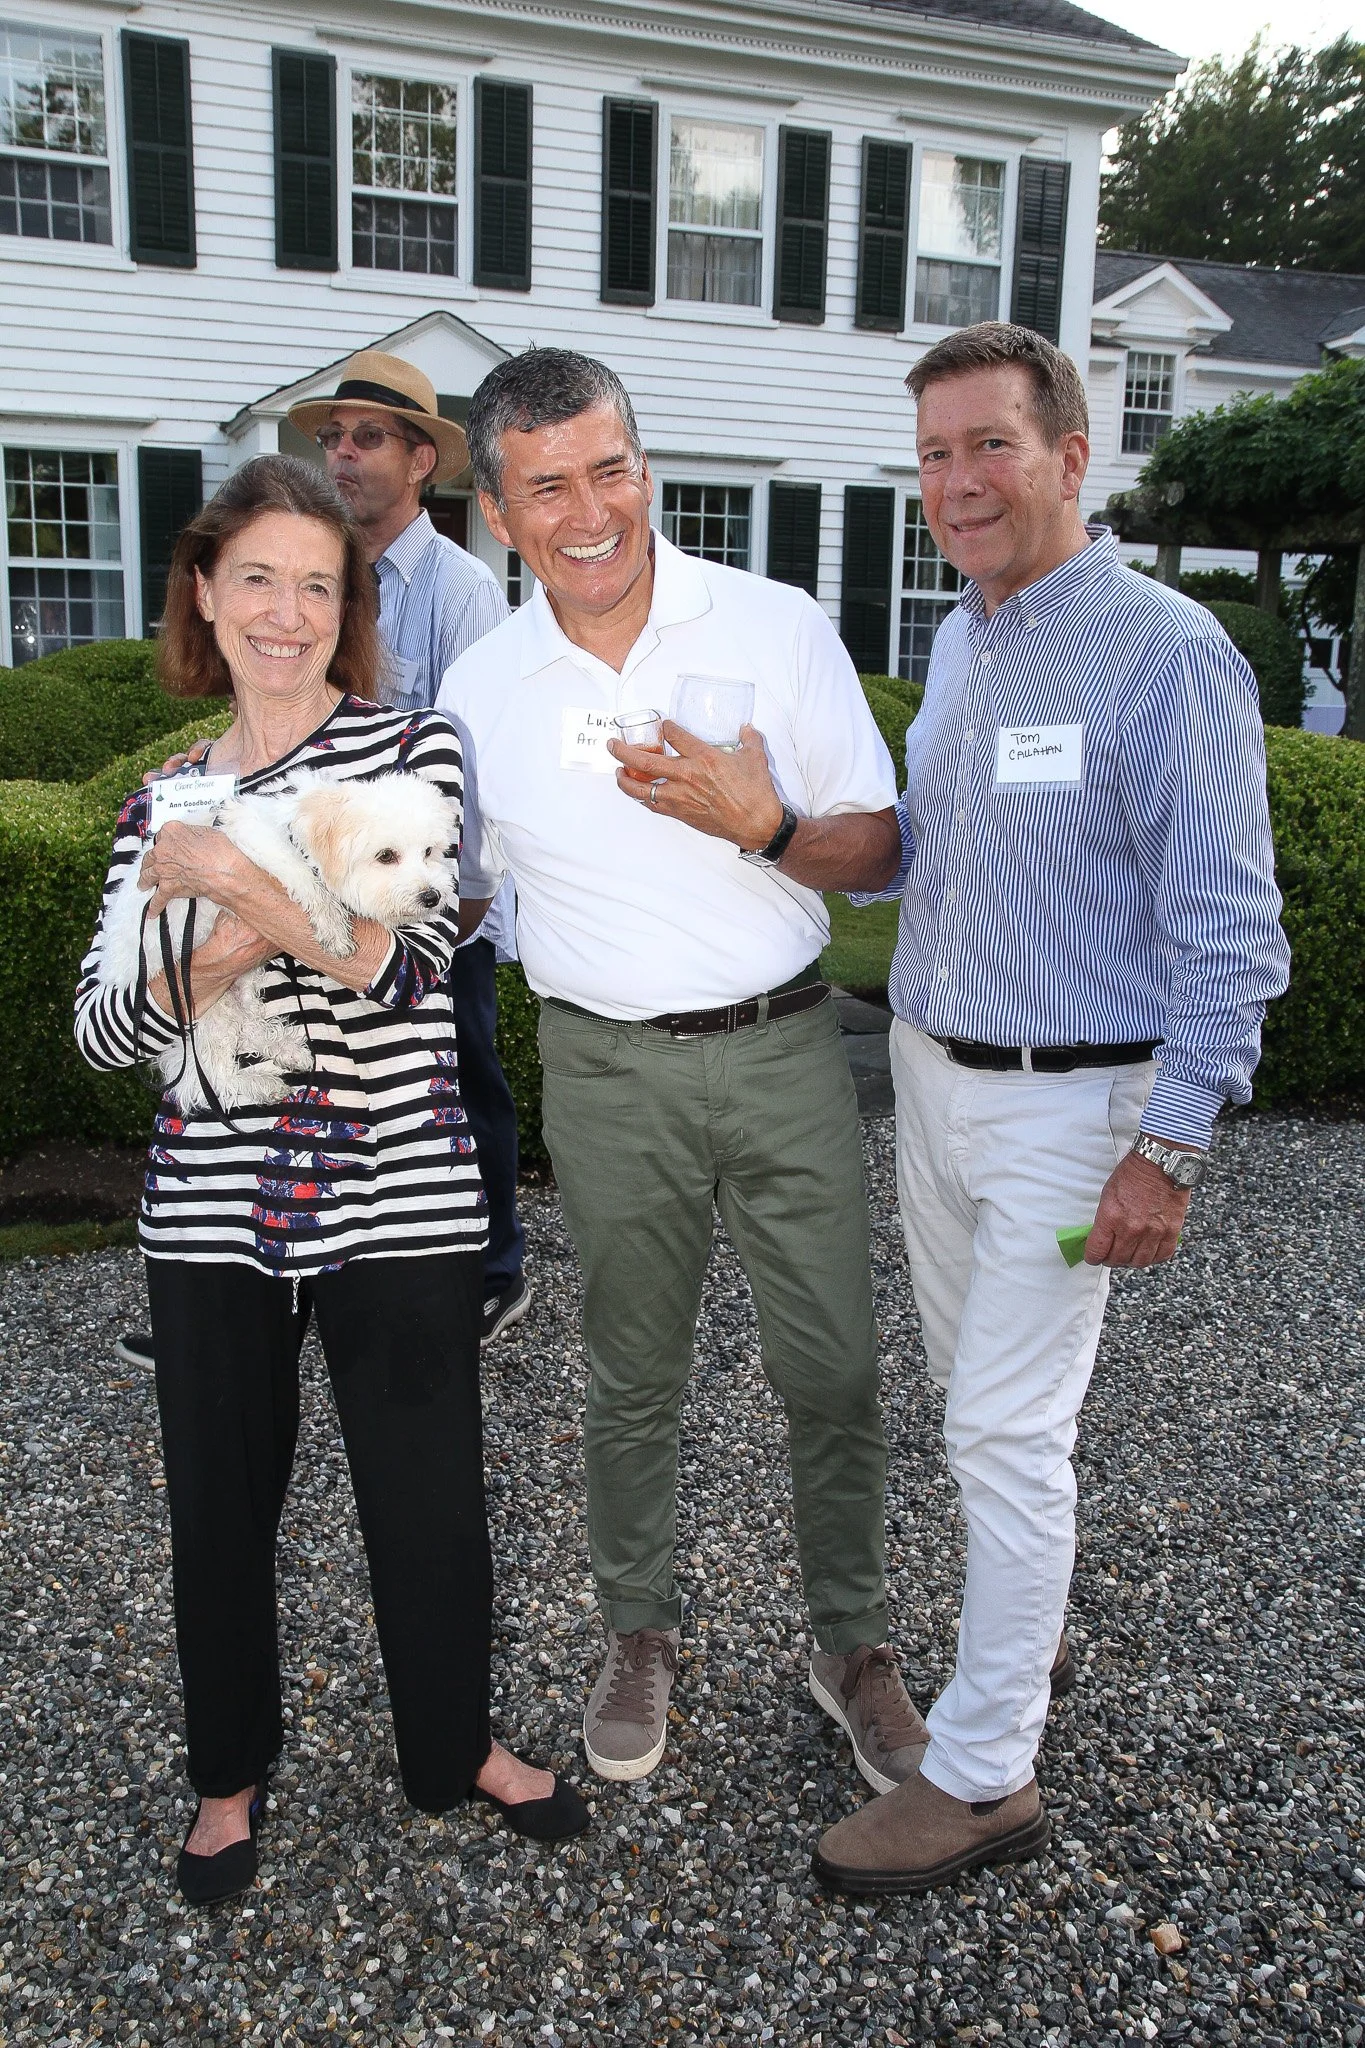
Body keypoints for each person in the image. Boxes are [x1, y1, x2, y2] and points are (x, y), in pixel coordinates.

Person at [800, 322, 1290, 1895]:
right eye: (934, 454)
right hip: (939, 1089)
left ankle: (985, 1772)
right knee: (987, 1417)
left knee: (1004, 1431)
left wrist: (1171, 1145)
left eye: (988, 447)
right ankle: (1019, 1640)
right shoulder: (967, 639)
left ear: (1073, 455)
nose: (954, 482)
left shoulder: (1163, 651)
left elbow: (1229, 929)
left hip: (1076, 1114)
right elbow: (938, 855)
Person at [76, 454, 587, 1907]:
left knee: (427, 1496)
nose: (288, 612)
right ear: (204, 593)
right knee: (218, 1505)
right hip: (209, 1211)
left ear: (348, 604)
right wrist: (261, 931)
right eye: (258, 579)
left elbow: (405, 972)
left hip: (399, 1192)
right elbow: (109, 1031)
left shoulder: (410, 749)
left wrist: (230, 900)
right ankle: (226, 1775)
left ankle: (456, 1747)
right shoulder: (156, 802)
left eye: (318, 583)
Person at [438, 349, 927, 1796]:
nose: (589, 512)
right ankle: (636, 1630)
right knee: (629, 1373)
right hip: (602, 1070)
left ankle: (850, 1642)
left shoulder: (772, 625)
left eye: (610, 470)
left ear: (644, 468)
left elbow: (884, 852)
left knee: (832, 1365)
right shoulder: (480, 685)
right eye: (547, 487)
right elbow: (457, 891)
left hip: (781, 1048)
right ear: (498, 512)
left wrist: (767, 823)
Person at [115, 353, 529, 1370]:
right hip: (321, 867)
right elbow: (119, 1018)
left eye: (369, 436)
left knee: (452, 1079)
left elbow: (465, 768)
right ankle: (241, 1278)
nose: (343, 452)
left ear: (422, 459)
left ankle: (483, 1266)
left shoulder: (462, 586)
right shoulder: (182, 775)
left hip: (415, 881)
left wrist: (445, 913)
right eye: (332, 437)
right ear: (211, 593)